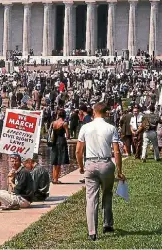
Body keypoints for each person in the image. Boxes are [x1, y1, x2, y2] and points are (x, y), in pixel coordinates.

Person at [76, 102, 125, 241]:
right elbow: (116, 151)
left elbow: (78, 150)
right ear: (106, 112)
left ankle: (92, 231)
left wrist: (81, 166)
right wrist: (119, 170)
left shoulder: (85, 127)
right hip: (105, 162)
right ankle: (107, 223)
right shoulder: (111, 128)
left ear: (93, 111)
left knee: (91, 198)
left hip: (90, 163)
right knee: (107, 193)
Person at [50, 109, 70, 184]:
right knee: (59, 161)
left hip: (54, 142)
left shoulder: (53, 123)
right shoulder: (64, 123)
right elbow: (68, 136)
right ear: (64, 115)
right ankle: (56, 179)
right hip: (61, 141)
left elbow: (51, 132)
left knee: (54, 161)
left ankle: (53, 178)